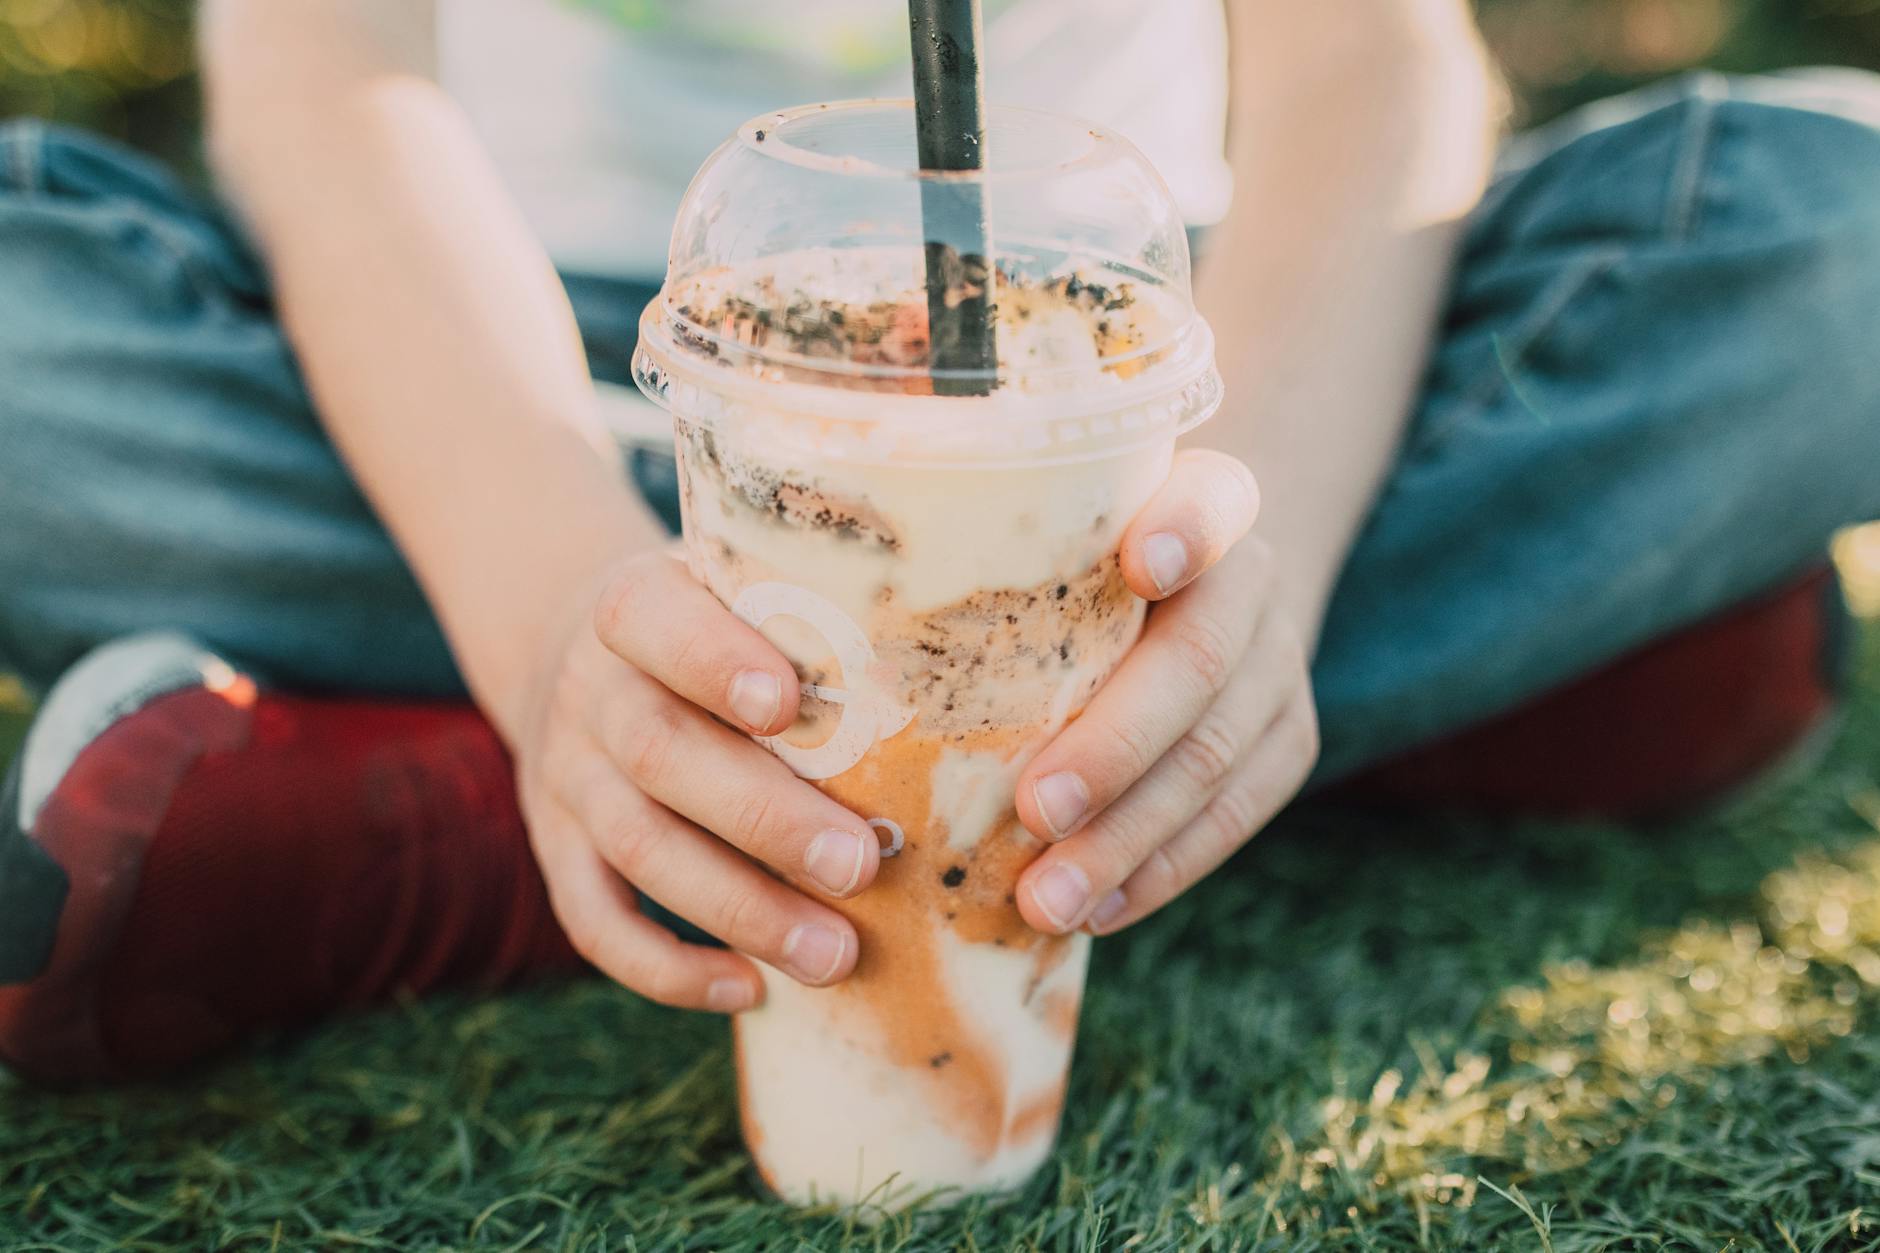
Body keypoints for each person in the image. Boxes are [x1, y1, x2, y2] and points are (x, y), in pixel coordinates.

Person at [1, 0, 1876, 1084]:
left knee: (1841, 232)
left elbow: (1367, 69)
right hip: (537, 369)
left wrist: (1262, 554)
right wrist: (557, 612)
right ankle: (1467, 676)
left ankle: (599, 816)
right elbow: (331, 102)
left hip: (1148, 388)